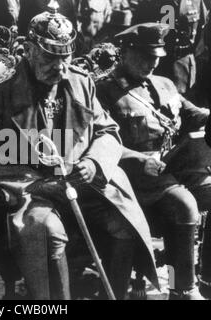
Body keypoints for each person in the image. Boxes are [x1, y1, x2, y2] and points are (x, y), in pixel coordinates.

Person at [0, 2, 158, 300]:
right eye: (49, 57)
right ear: (28, 49)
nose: (59, 67)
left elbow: (107, 132)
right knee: (47, 231)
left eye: (65, 57)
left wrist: (94, 163)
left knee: (124, 223)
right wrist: (36, 183)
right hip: (30, 191)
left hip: (83, 183)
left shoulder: (81, 83)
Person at [96, 23, 210, 300]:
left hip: (173, 169)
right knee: (184, 206)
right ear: (124, 53)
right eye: (146, 56)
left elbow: (193, 114)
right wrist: (137, 160)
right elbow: (97, 141)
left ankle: (205, 279)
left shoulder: (165, 83)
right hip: (133, 178)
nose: (153, 62)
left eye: (157, 55)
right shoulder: (102, 91)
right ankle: (184, 288)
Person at [133, 0, 208, 98]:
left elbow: (201, 33)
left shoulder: (196, 2)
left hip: (185, 65)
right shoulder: (150, 2)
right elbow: (137, 32)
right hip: (158, 63)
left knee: (186, 103)